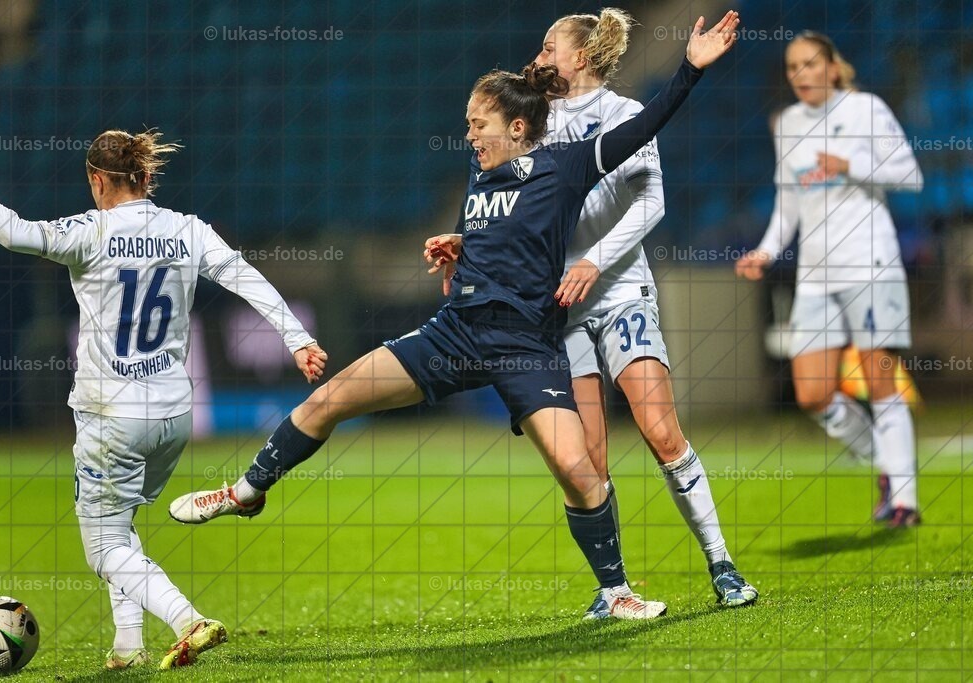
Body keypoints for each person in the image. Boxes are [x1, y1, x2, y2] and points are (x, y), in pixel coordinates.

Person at [170, 12, 740, 621]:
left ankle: (617, 591)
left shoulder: (568, 164)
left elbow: (646, 130)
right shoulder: (484, 168)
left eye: (478, 124)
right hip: (457, 332)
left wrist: (688, 71)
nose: (468, 136)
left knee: (581, 472)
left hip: (527, 344)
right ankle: (246, 491)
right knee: (332, 398)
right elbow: (509, 228)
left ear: (516, 127)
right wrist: (462, 244)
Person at [0, 131, 327, 669]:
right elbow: (247, 278)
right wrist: (298, 339)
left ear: (97, 180)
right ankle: (127, 645)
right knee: (120, 529)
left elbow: (12, 232)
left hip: (112, 417)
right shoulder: (187, 230)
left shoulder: (90, 231)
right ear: (147, 178)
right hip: (174, 416)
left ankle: (187, 619)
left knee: (104, 549)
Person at [426, 8, 757, 615]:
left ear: (580, 55)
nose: (540, 53)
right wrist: (467, 242)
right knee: (590, 458)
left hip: (620, 290)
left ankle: (722, 564)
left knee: (660, 432)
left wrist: (595, 261)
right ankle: (617, 590)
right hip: (558, 308)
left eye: (550, 44)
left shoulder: (622, 116)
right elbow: (508, 204)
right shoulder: (534, 122)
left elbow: (652, 203)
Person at [735, 32, 923, 527]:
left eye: (810, 64)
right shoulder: (789, 124)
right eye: (792, 67)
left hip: (870, 263)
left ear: (833, 68)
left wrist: (850, 164)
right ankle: (880, 462)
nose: (800, 74)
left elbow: (910, 174)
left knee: (880, 380)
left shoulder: (866, 109)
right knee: (813, 394)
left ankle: (904, 499)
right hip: (816, 274)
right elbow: (788, 201)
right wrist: (767, 251)